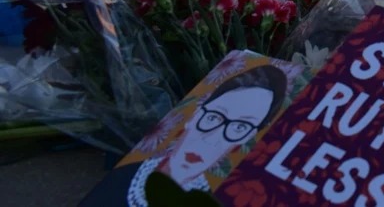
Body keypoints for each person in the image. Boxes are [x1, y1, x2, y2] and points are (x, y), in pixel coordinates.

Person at [80, 64, 288, 207]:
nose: (212, 137)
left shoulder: (220, 199)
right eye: (215, 117)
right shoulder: (125, 176)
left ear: (247, 138)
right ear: (196, 113)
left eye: (240, 127)